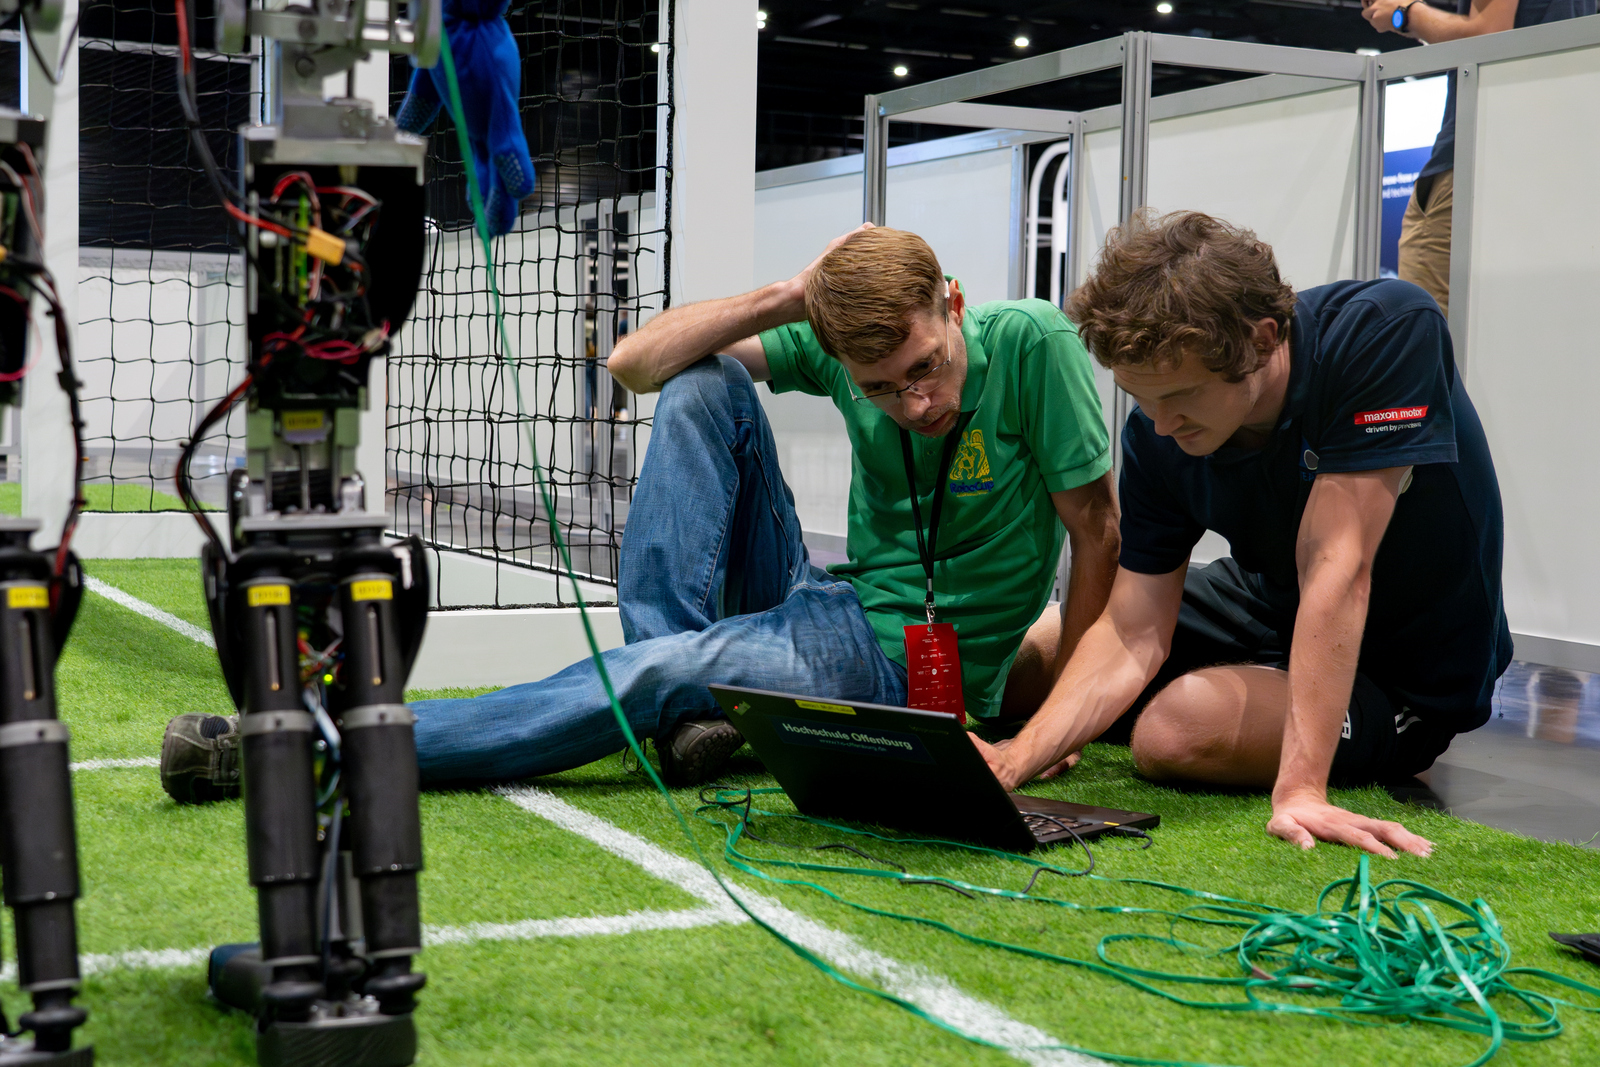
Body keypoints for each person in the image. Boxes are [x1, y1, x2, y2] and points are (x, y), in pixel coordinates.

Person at [160, 224, 1120, 799]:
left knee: (661, 669)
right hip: (836, 600)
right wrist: (793, 295)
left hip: (891, 664)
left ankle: (308, 747)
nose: (914, 403)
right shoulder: (842, 349)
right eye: (880, 387)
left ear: (953, 304)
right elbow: (634, 365)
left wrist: (1058, 724)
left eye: (925, 369)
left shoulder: (1034, 345)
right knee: (702, 379)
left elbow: (1097, 533)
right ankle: (680, 706)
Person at [975, 211, 1510, 857]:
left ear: (1262, 339)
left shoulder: (1384, 329)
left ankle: (1255, 713)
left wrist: (1302, 789)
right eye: (1143, 399)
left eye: (1181, 396)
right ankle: (1230, 693)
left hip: (1404, 669)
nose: (1162, 424)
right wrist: (1016, 757)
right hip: (1266, 599)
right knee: (1024, 658)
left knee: (1176, 731)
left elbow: (1337, 565)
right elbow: (1134, 627)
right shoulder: (1156, 434)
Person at [1361, 0, 1595, 317]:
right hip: (1550, 160)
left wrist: (1404, 14)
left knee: (1423, 321)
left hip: (1475, 159)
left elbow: (1489, 35)